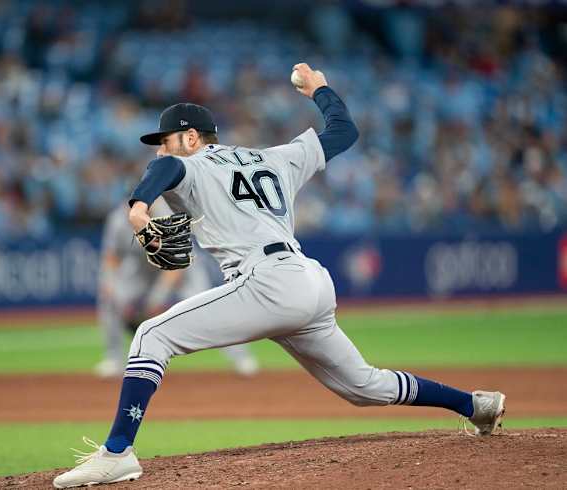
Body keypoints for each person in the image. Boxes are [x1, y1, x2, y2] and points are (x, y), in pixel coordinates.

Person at [53, 63, 506, 488]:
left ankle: (117, 452)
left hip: (266, 282)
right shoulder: (276, 157)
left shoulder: (185, 163)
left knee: (152, 335)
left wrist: (137, 207)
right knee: (364, 386)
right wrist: (319, 89)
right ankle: (476, 405)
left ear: (192, 138)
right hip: (309, 281)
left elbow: (165, 168)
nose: (160, 147)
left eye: (166, 138)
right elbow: (345, 131)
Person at [95, 199, 259, 378]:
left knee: (209, 307)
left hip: (184, 268)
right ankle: (114, 359)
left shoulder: (168, 216)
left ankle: (241, 358)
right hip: (142, 270)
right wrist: (109, 284)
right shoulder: (119, 220)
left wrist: (155, 299)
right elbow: (111, 256)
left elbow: (176, 267)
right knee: (110, 298)